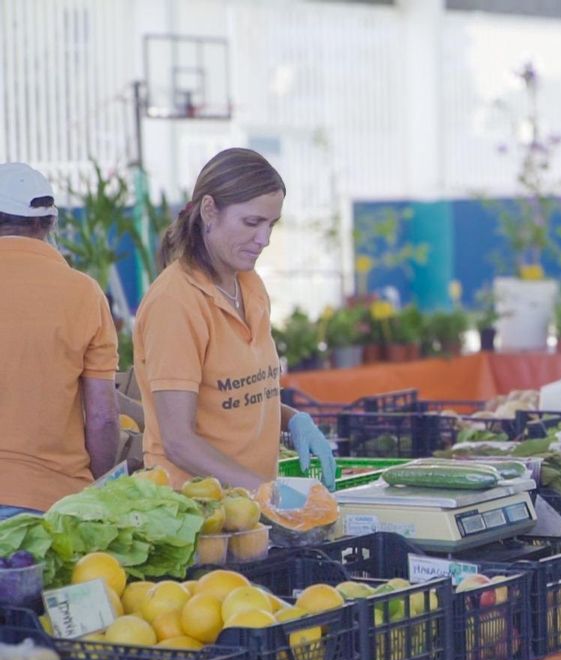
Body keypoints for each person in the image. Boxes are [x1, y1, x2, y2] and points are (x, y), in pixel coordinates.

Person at [134, 148, 335, 491]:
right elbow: (178, 441)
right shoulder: (176, 302)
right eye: (252, 222)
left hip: (247, 509)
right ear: (210, 210)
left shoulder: (249, 285)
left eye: (272, 224)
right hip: (195, 512)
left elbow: (241, 395)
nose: (264, 239)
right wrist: (265, 492)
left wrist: (293, 420)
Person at [0, 162, 119, 518]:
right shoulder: (83, 293)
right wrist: (96, 489)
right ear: (49, 223)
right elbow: (103, 418)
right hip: (52, 504)